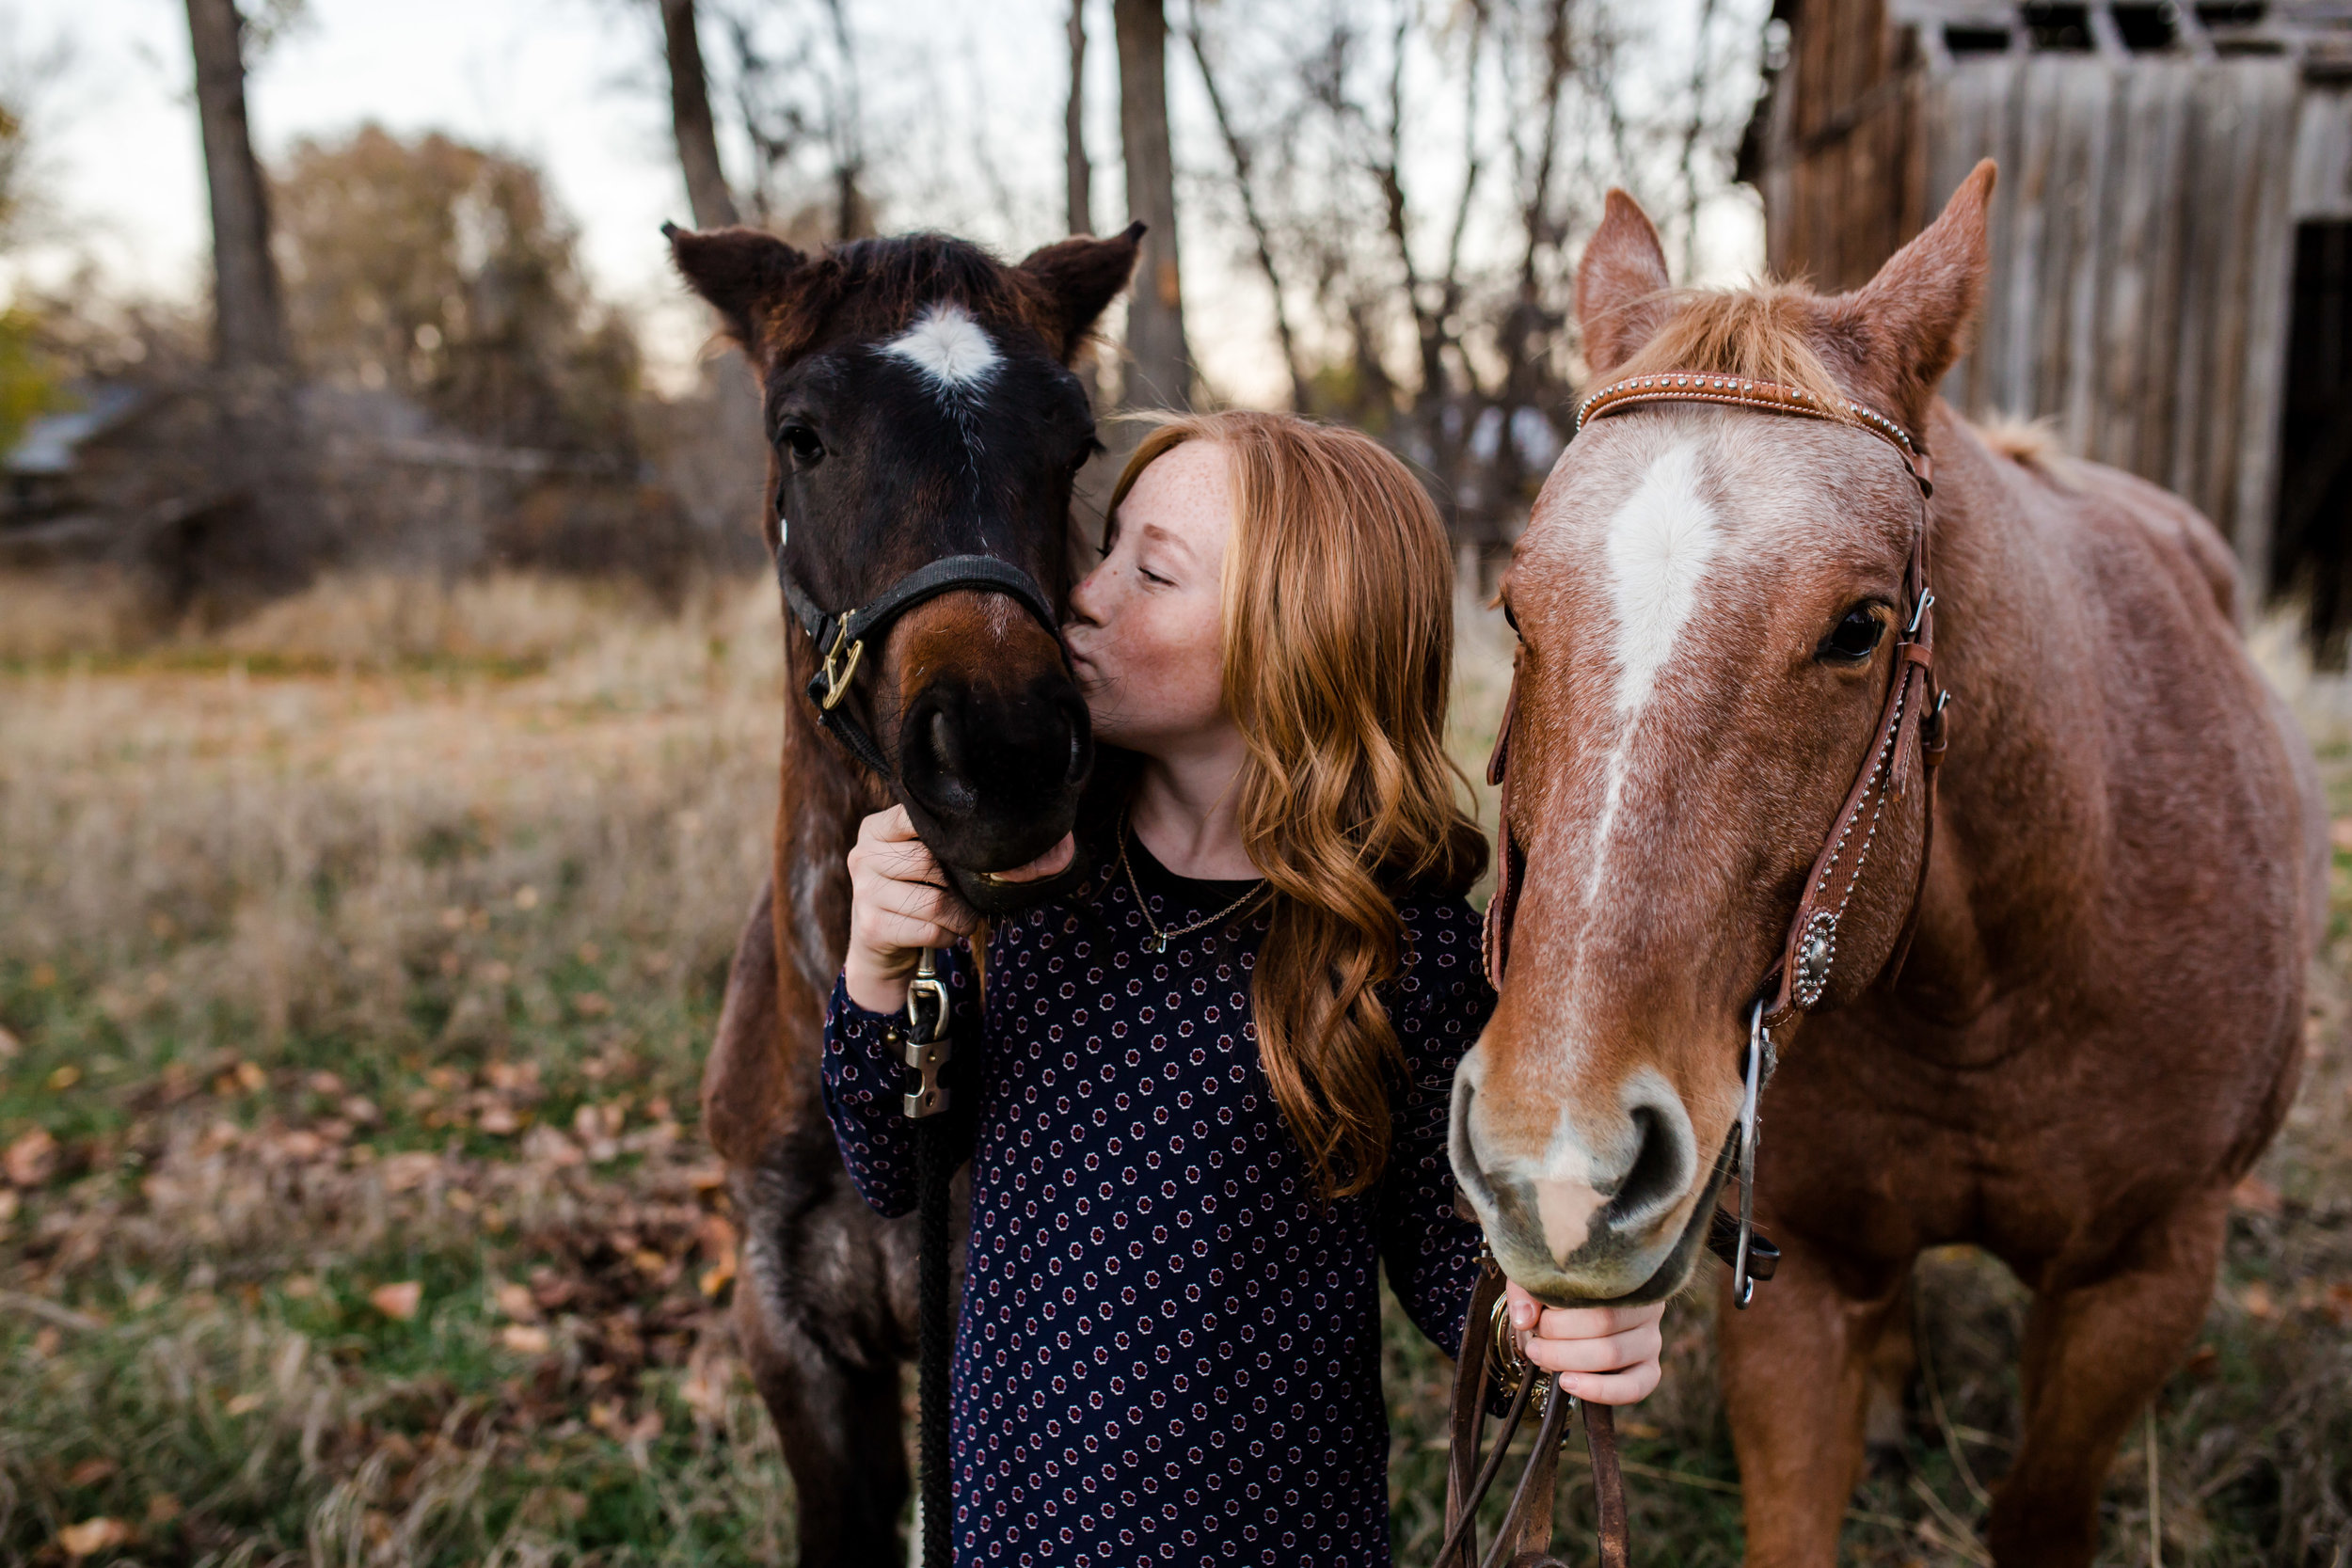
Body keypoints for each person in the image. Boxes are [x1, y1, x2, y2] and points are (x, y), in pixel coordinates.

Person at [822, 412, 1664, 1566]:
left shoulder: (1398, 951)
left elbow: (1446, 1264)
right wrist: (876, 967)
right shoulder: (1028, 870)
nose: (1080, 590)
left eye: (1151, 570)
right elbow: (889, 1162)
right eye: (1105, 544)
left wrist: (1554, 1318)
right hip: (1009, 1525)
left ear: (1296, 643)